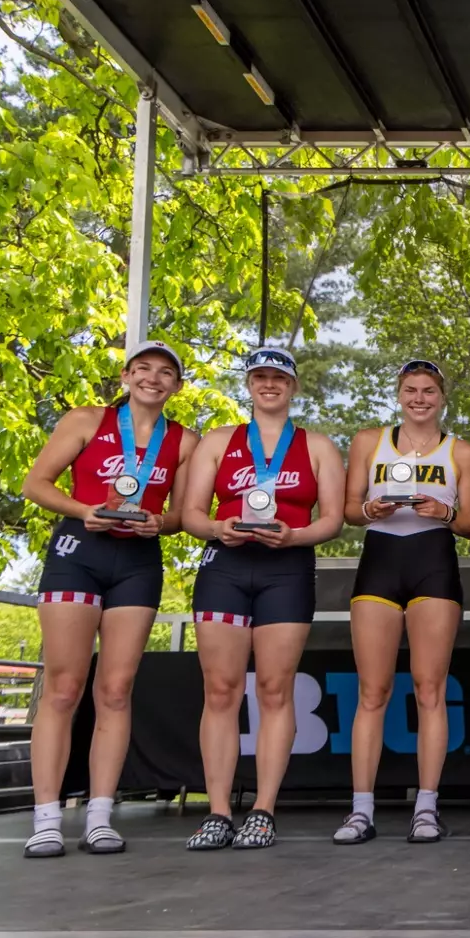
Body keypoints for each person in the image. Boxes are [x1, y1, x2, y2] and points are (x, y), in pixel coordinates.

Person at [20, 340, 199, 857]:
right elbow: (36, 484)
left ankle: (100, 814)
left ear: (176, 386)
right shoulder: (85, 419)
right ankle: (47, 817)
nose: (153, 378)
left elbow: (182, 516)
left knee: (117, 690)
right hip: (80, 550)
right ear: (125, 376)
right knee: (63, 686)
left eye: (165, 373)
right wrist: (84, 509)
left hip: (137, 562)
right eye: (143, 369)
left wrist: (154, 522)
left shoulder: (183, 440)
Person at [179, 347, 345, 850]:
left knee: (275, 689)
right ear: (248, 385)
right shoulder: (217, 441)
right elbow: (189, 514)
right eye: (260, 377)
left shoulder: (317, 445)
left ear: (293, 386)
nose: (269, 385)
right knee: (221, 691)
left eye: (279, 377)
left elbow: (333, 519)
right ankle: (218, 811)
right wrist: (217, 526)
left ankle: (264, 810)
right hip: (225, 566)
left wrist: (293, 537)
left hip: (286, 568)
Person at [332, 360, 470, 845]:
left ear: (442, 397)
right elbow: (349, 510)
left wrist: (445, 510)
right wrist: (370, 508)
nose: (420, 398)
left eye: (429, 390)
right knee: (372, 692)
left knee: (429, 688)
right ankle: (361, 810)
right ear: (399, 394)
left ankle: (427, 807)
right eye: (411, 390)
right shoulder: (367, 441)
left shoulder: (460, 450)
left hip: (433, 563)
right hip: (379, 561)